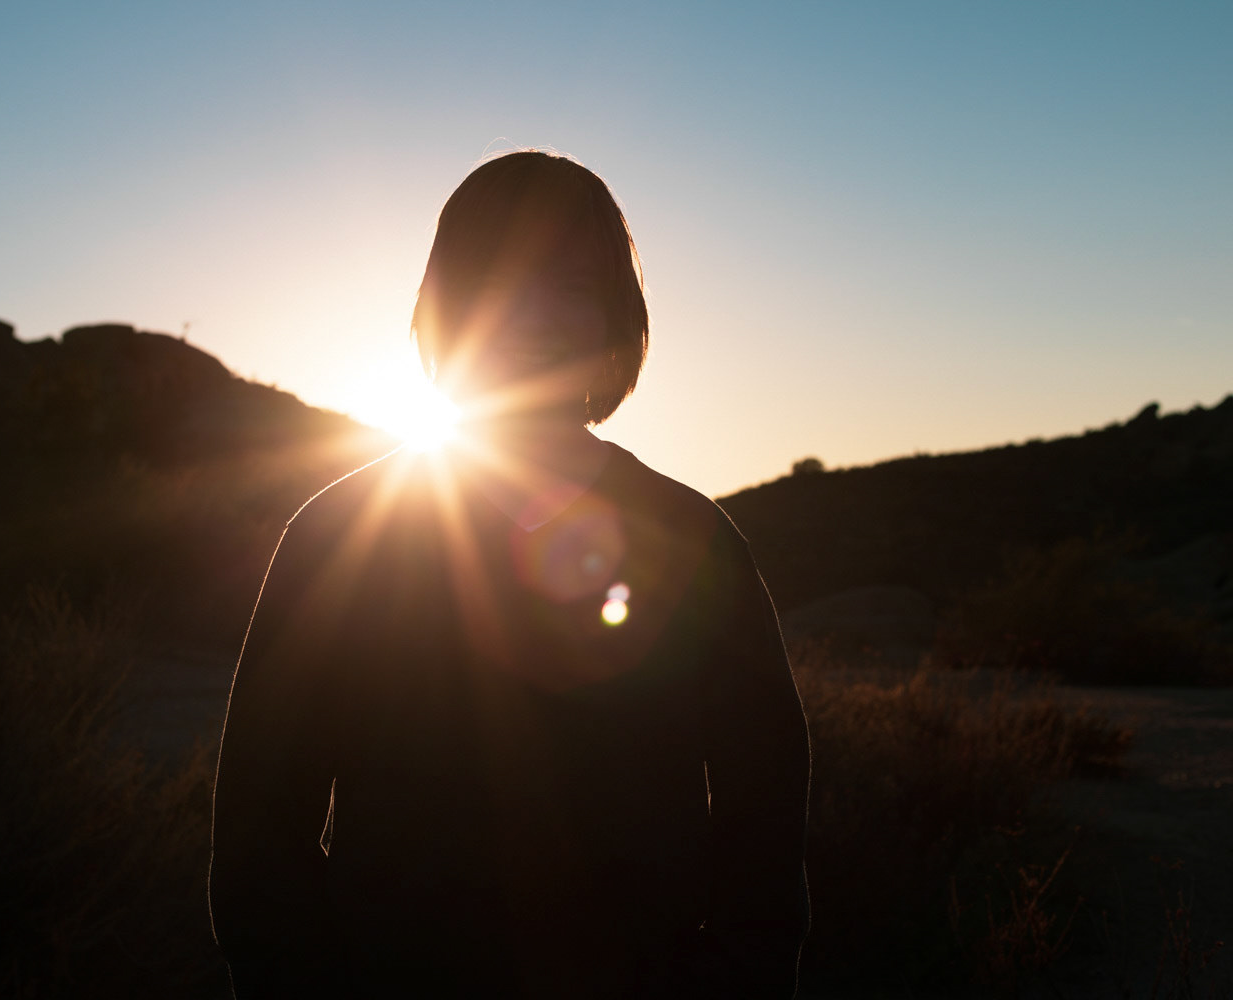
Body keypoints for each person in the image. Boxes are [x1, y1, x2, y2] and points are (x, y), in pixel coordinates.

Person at [210, 150, 811, 997]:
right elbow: (259, 833)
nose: (533, 313)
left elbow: (765, 805)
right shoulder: (342, 535)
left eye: (569, 284)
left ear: (613, 318)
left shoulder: (691, 540)